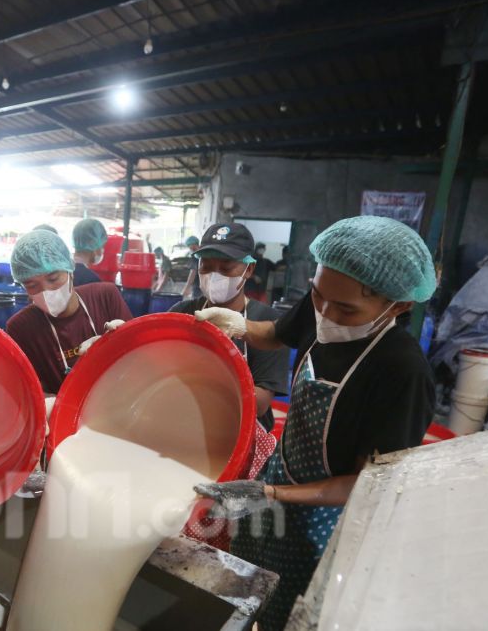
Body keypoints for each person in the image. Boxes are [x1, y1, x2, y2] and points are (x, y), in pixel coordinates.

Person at [193, 216, 437, 631]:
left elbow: (366, 483)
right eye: (318, 295)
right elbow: (276, 333)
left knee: (288, 609)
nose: (324, 313)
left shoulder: (401, 371)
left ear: (399, 305)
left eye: (345, 308)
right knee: (243, 587)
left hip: (322, 519)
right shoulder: (326, 298)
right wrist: (239, 326)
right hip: (280, 477)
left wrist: (272, 492)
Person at [171, 224, 289, 432]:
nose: (214, 276)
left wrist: (195, 383)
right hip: (186, 426)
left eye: (226, 269)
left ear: (249, 269)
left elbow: (259, 403)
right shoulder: (182, 312)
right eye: (206, 267)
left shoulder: (267, 323)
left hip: (240, 434)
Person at [5, 230, 132, 395]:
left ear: (70, 270)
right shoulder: (21, 328)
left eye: (53, 279)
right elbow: (29, 392)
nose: (46, 291)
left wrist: (121, 344)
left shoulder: (105, 296)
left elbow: (138, 362)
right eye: (32, 285)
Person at [70, 218, 107, 286]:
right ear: (93, 243)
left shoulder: (61, 271)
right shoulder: (90, 280)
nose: (102, 250)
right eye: (102, 246)